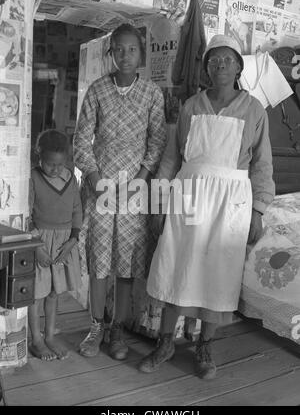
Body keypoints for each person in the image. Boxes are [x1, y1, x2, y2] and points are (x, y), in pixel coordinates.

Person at [138, 34, 275, 379]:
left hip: (230, 203)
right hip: (188, 197)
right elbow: (171, 159)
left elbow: (262, 165)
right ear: (206, 67)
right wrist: (159, 205)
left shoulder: (254, 110)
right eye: (214, 60)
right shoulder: (191, 106)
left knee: (218, 272)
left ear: (239, 66)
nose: (220, 65)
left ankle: (204, 347)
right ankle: (165, 343)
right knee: (176, 265)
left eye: (227, 60)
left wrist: (258, 210)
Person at [73, 23, 166, 360]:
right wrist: (96, 180)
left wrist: (140, 179)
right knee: (99, 259)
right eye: (119, 49)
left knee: (126, 263)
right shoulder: (97, 90)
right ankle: (96, 326)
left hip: (135, 191)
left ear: (141, 55)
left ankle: (117, 330)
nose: (125, 55)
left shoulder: (153, 94)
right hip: (99, 187)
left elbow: (157, 141)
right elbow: (82, 139)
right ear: (110, 53)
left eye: (132, 49)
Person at [28, 129, 82, 361]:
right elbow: (26, 214)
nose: (56, 169)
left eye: (60, 164)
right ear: (38, 156)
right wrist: (36, 246)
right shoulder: (32, 178)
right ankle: (36, 340)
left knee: (53, 292)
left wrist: (73, 239)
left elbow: (77, 209)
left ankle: (50, 335)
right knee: (35, 295)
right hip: (39, 242)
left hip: (63, 244)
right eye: (50, 164)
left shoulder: (70, 178)